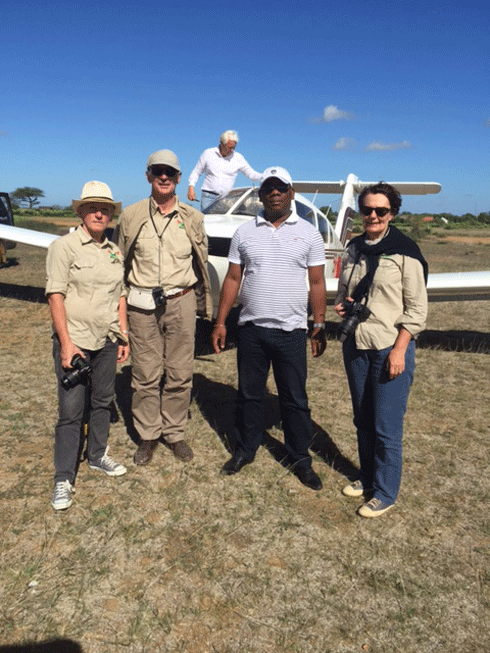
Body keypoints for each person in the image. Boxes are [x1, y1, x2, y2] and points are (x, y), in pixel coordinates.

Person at [212, 166, 327, 490]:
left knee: (295, 399)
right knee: (249, 396)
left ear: (291, 193)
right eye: (268, 188)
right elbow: (233, 277)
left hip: (292, 332)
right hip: (252, 329)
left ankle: (300, 458)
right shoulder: (244, 232)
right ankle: (245, 450)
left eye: (281, 188)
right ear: (261, 195)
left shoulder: (309, 233)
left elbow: (317, 282)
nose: (275, 193)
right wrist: (220, 321)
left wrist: (319, 322)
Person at [334, 182, 428, 518]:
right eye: (367, 209)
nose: (373, 215)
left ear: (393, 213)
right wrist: (342, 306)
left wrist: (400, 351)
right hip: (356, 345)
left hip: (389, 346)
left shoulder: (406, 251)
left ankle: (386, 492)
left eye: (381, 210)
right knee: (362, 419)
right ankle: (368, 477)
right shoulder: (353, 248)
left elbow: (416, 311)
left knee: (386, 425)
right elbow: (342, 290)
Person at [115, 150, 212, 466]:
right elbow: (118, 263)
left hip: (181, 300)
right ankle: (148, 434)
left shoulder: (193, 218)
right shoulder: (130, 216)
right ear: (148, 176)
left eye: (170, 171)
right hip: (141, 304)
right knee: (145, 373)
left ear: (179, 178)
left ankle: (174, 433)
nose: (164, 176)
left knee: (180, 372)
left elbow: (201, 261)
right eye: (158, 171)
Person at [46, 181, 130, 511]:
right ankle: (64, 477)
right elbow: (55, 296)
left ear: (111, 215)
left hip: (106, 340)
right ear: (81, 212)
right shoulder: (63, 247)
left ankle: (96, 455)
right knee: (70, 412)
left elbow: (120, 296)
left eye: (105, 209)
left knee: (102, 401)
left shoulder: (114, 251)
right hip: (76, 342)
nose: (99, 214)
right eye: (93, 208)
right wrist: (66, 344)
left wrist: (123, 335)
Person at [187, 130, 262, 210]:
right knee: (208, 218)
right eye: (229, 147)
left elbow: (251, 174)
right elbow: (196, 172)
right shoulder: (208, 153)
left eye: (234, 147)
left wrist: (266, 176)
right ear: (222, 144)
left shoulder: (238, 158)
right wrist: (191, 187)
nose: (232, 150)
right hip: (208, 197)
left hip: (227, 199)